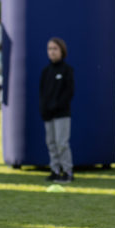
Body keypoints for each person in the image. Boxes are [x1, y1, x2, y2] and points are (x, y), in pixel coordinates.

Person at [39, 37, 74, 184]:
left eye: (55, 49)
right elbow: (42, 93)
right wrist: (44, 109)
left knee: (61, 143)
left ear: (61, 51)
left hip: (61, 114)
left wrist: (57, 105)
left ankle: (67, 171)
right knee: (51, 143)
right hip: (48, 115)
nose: (52, 52)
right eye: (49, 49)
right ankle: (55, 170)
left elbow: (69, 92)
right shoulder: (46, 71)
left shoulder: (67, 70)